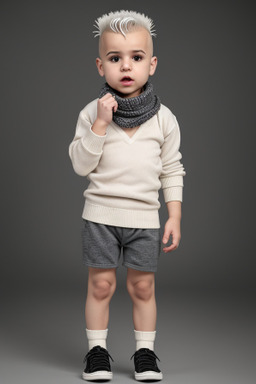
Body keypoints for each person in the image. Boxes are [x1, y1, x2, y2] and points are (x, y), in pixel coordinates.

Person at [69, 10, 186, 382]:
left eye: (136, 57)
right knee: (101, 284)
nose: (126, 66)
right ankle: (96, 353)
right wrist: (101, 125)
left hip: (144, 221)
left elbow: (172, 169)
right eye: (115, 58)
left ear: (151, 65)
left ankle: (145, 353)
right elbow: (80, 164)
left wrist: (175, 215)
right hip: (101, 216)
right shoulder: (92, 112)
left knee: (142, 286)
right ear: (100, 65)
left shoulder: (164, 118)